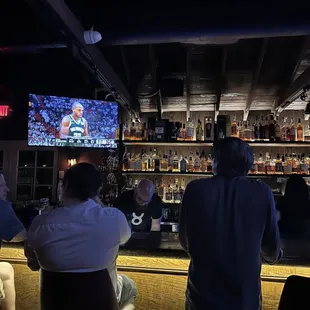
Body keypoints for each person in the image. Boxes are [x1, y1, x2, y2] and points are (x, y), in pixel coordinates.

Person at [179, 137, 282, 310]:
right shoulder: (262, 192)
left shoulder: (195, 189)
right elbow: (271, 250)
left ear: (216, 162)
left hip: (201, 297)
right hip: (244, 299)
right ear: (248, 164)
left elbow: (184, 241)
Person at [25, 163, 136, 310]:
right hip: (100, 303)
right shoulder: (114, 218)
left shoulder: (41, 223)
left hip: (55, 304)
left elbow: (32, 263)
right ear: (97, 190)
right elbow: (125, 238)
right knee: (129, 285)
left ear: (64, 187)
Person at [0, 174, 27, 310]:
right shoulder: (1, 207)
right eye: (1, 185)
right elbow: (20, 236)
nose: (7, 189)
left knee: (5, 268)